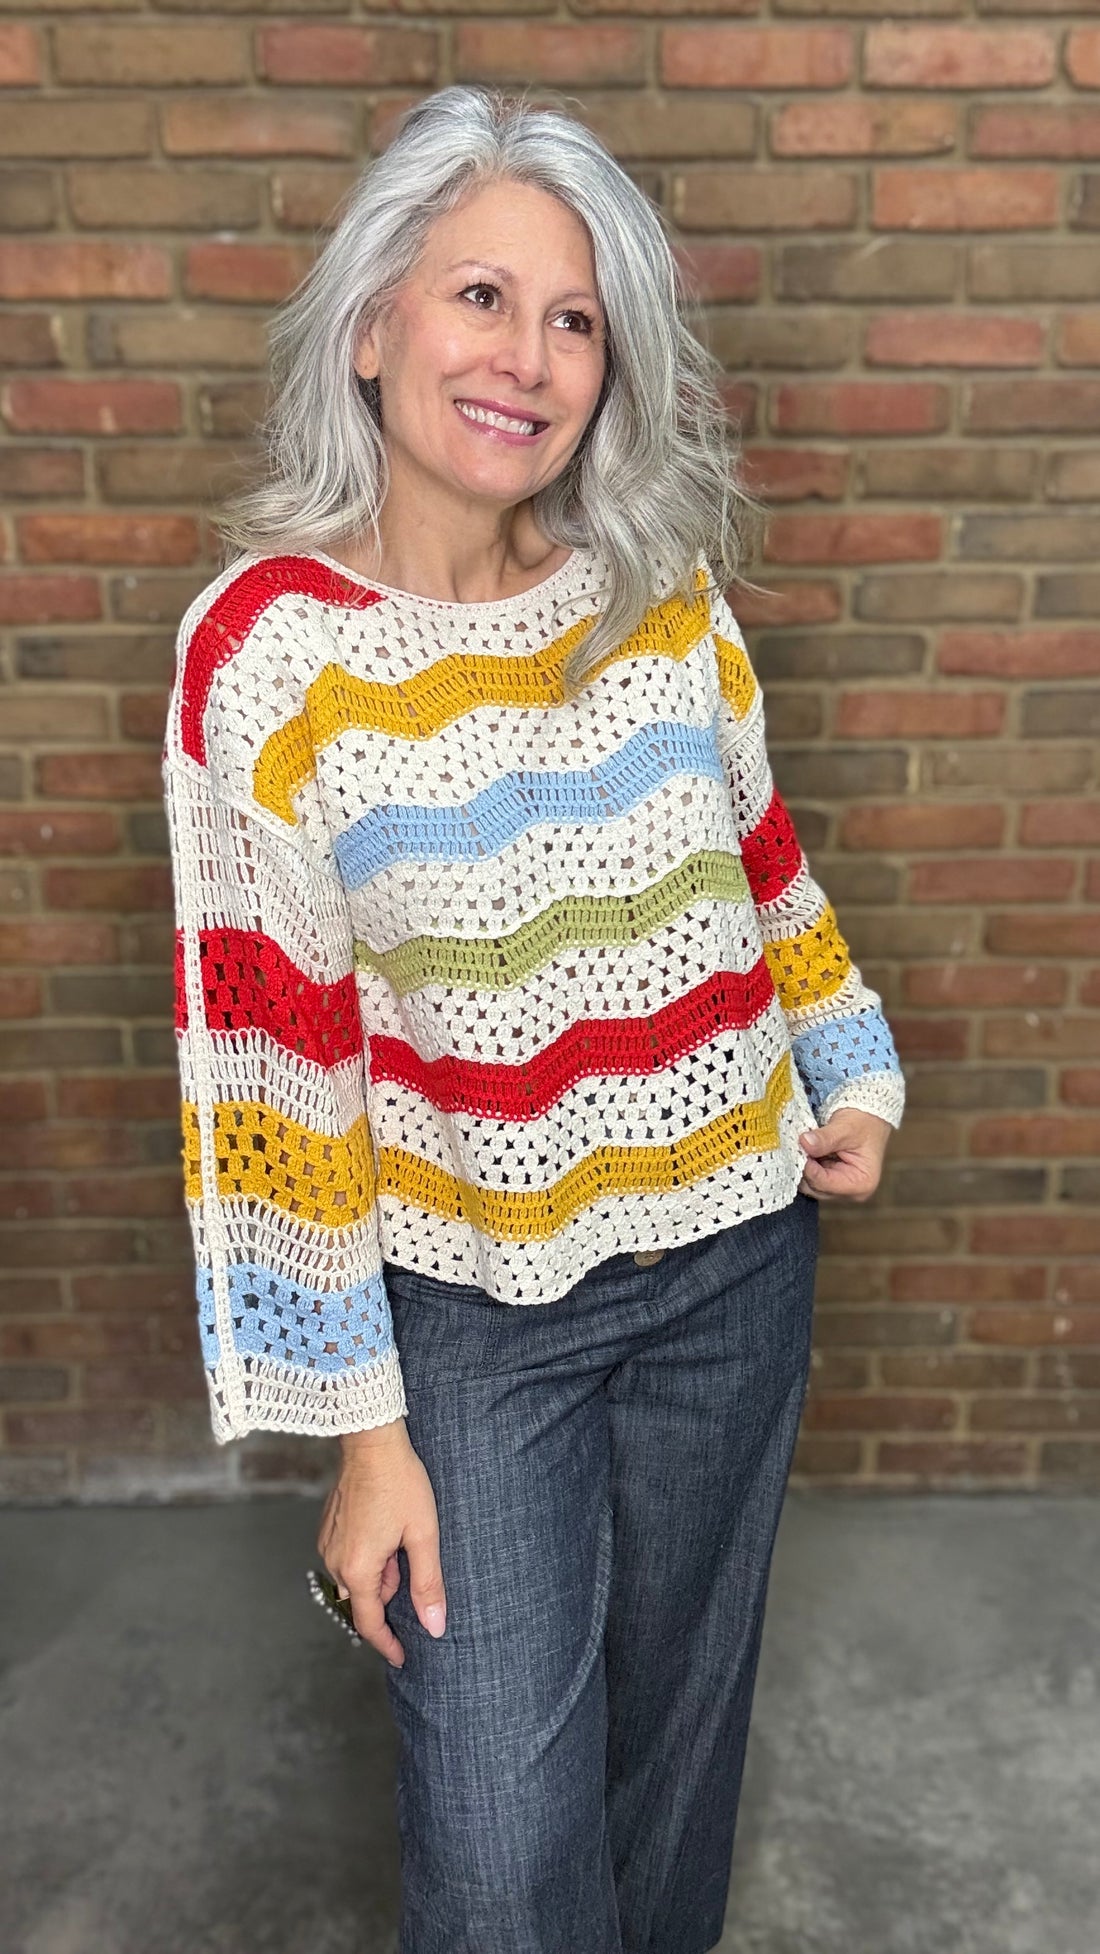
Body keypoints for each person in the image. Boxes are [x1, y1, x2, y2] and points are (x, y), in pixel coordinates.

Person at [164, 85, 905, 1954]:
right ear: (372, 327)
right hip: (470, 1326)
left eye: (574, 319)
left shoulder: (662, 606)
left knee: (672, 1778)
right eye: (480, 296)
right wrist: (364, 1437)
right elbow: (277, 1081)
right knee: (505, 1864)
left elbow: (768, 874)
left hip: (735, 1267)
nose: (528, 356)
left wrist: (857, 1062)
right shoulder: (270, 657)